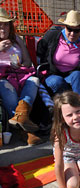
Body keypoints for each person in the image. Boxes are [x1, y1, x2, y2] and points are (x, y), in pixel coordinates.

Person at [0, 7, 44, 145]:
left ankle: (21, 119)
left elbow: (27, 61)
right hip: (2, 77)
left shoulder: (17, 39)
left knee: (34, 79)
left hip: (18, 74)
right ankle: (25, 130)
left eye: (6, 24)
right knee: (4, 86)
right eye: (0, 24)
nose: (3, 27)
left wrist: (19, 65)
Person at [36, 10, 80, 105]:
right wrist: (42, 67)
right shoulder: (52, 36)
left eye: (76, 30)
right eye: (69, 29)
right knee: (57, 81)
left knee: (78, 75)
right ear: (65, 27)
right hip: (51, 74)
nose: (72, 33)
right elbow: (40, 51)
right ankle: (73, 106)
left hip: (71, 76)